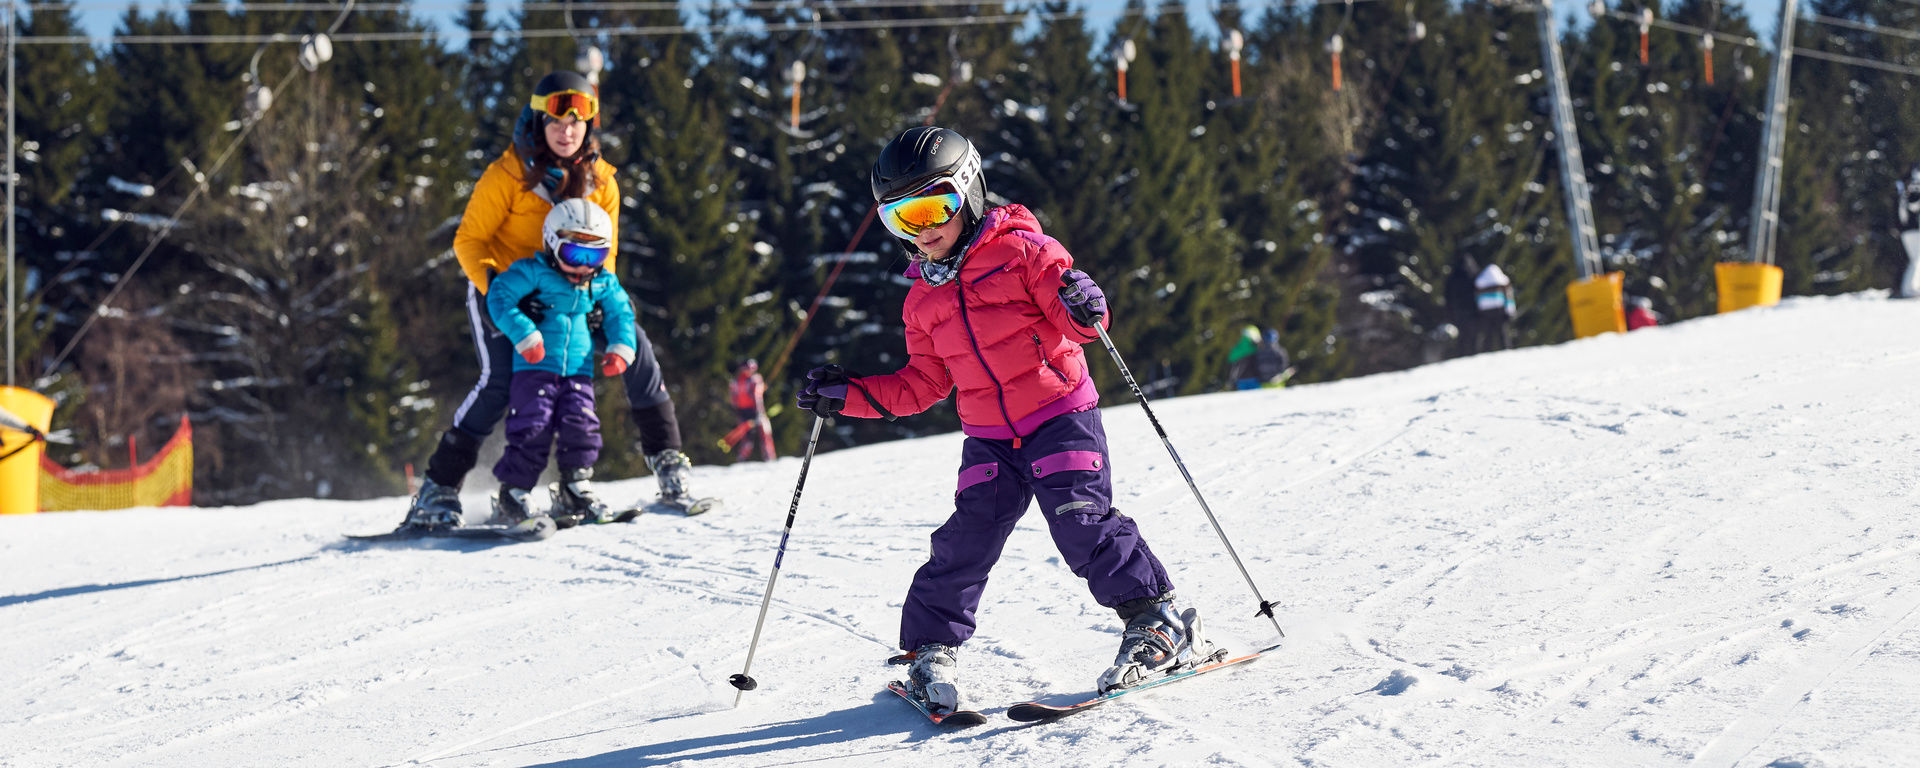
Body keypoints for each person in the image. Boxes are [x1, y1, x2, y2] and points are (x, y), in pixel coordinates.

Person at [795, 126, 1216, 716]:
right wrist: (851, 395)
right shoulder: (921, 299)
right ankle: (929, 653)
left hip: (1060, 416)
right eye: (901, 217)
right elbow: (922, 386)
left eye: (933, 206)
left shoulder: (1026, 253)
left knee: (1080, 523)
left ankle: (1159, 622)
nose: (922, 228)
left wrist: (1084, 303)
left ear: (966, 193)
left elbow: (1080, 321)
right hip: (990, 439)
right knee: (965, 541)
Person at [398, 71, 702, 532]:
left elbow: (609, 253)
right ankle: (438, 489)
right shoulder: (508, 175)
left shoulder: (603, 182)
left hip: (578, 287)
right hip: (506, 291)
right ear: (540, 122)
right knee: (499, 380)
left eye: (577, 124)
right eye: (557, 123)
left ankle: (667, 464)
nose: (567, 132)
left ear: (589, 128)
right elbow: (468, 241)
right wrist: (496, 283)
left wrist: (602, 299)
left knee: (635, 349)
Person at [482, 199, 638, 531]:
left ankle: (574, 486)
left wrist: (621, 347)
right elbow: (498, 296)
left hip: (579, 370)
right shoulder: (533, 272)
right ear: (553, 245)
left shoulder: (601, 281)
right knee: (533, 425)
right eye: (574, 255)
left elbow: (620, 312)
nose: (583, 267)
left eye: (593, 257)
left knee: (582, 424)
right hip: (535, 367)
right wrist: (525, 335)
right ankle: (515, 493)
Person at [721, 359, 776, 461]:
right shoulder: (754, 380)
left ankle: (742, 459)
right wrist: (759, 412)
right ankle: (768, 458)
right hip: (753, 412)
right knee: (762, 436)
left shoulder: (735, 382)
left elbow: (734, 400)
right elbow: (756, 397)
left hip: (743, 413)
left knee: (749, 438)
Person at [1473, 262, 1516, 352]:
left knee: (1488, 333)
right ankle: (1506, 349)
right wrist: (1510, 310)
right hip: (1499, 309)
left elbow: (1477, 298)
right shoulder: (1502, 281)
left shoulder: (1481, 281)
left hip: (1485, 311)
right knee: (1502, 332)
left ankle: (1486, 351)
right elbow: (1508, 296)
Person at [1445, 255, 1482, 357]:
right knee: (1474, 335)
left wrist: (1450, 311)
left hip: (1458, 310)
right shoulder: (1475, 275)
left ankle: (1462, 355)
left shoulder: (1452, 277)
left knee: (1462, 335)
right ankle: (1474, 354)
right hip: (1473, 310)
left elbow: (1447, 296)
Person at [1895, 163, 1920, 299]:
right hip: (1912, 230)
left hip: (1910, 230)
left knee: (1915, 260)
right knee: (1916, 260)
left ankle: (1911, 287)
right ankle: (1909, 289)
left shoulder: (1908, 187)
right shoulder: (1914, 188)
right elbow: (1913, 206)